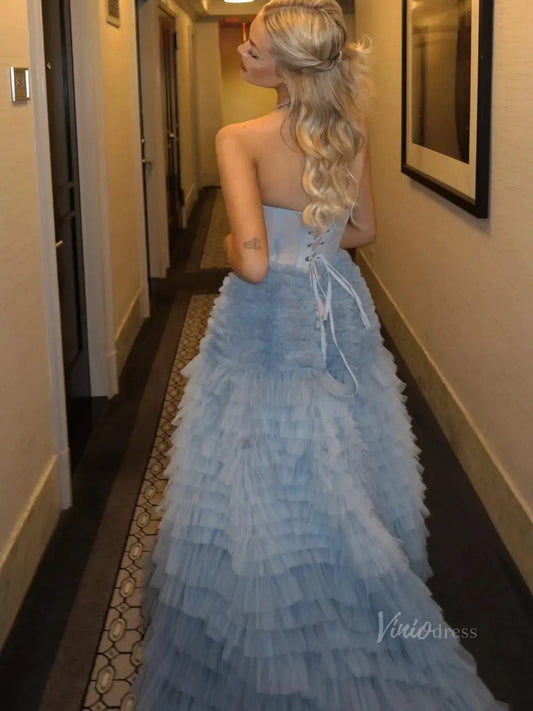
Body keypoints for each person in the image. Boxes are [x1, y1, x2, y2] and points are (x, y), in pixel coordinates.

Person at [133, 1, 508, 708]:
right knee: (346, 437)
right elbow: (361, 231)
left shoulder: (238, 138)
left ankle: (276, 592)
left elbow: (249, 263)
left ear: (284, 64)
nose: (242, 51)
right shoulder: (349, 130)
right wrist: (312, 244)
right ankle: (354, 571)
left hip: (269, 320)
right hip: (339, 306)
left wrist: (234, 241)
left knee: (258, 449)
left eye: (253, 46)